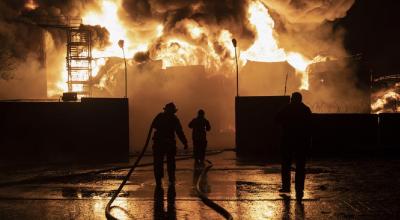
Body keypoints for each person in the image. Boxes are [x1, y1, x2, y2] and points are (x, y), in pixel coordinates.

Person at [276, 92, 312, 201]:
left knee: (286, 165)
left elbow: (277, 119)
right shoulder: (306, 109)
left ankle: (286, 186)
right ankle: (299, 189)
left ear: (292, 99)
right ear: (300, 99)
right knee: (300, 166)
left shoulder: (287, 108)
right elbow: (311, 126)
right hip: (301, 141)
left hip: (288, 140)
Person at [151, 102, 188, 187]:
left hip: (159, 143)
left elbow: (153, 126)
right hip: (168, 144)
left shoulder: (160, 116)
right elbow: (179, 132)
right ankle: (170, 179)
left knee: (158, 162)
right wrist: (184, 142)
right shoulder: (174, 119)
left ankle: (159, 180)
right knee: (169, 162)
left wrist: (185, 142)